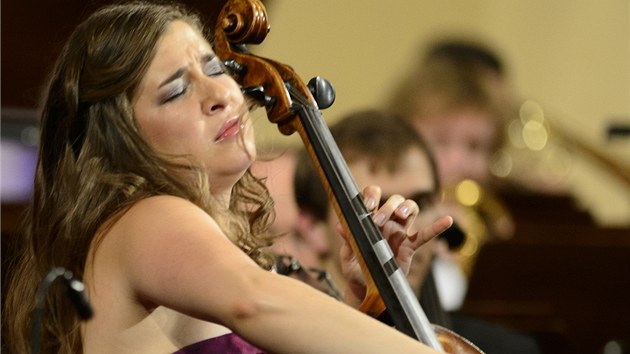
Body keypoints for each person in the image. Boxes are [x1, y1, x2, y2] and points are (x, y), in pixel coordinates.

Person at [2, 3, 453, 353]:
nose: (221, 94)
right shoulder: (146, 218)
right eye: (176, 91)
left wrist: (370, 304)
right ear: (119, 137)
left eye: (215, 68)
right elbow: (253, 300)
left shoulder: (200, 248)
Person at [293, 109, 540, 354]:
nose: (405, 226)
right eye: (377, 209)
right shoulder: (282, 343)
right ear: (312, 226)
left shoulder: (507, 350)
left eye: (420, 202)